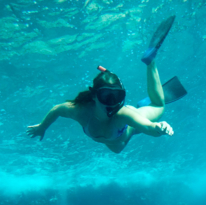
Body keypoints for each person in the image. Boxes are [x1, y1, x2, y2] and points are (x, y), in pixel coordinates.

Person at [26, 16, 185, 154]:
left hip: (129, 124)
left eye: (117, 96)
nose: (112, 103)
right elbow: (56, 110)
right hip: (116, 138)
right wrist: (42, 126)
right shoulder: (80, 110)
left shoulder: (123, 114)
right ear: (94, 95)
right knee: (117, 149)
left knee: (159, 107)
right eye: (106, 96)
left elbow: (149, 128)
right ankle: (143, 102)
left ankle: (151, 62)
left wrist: (159, 127)